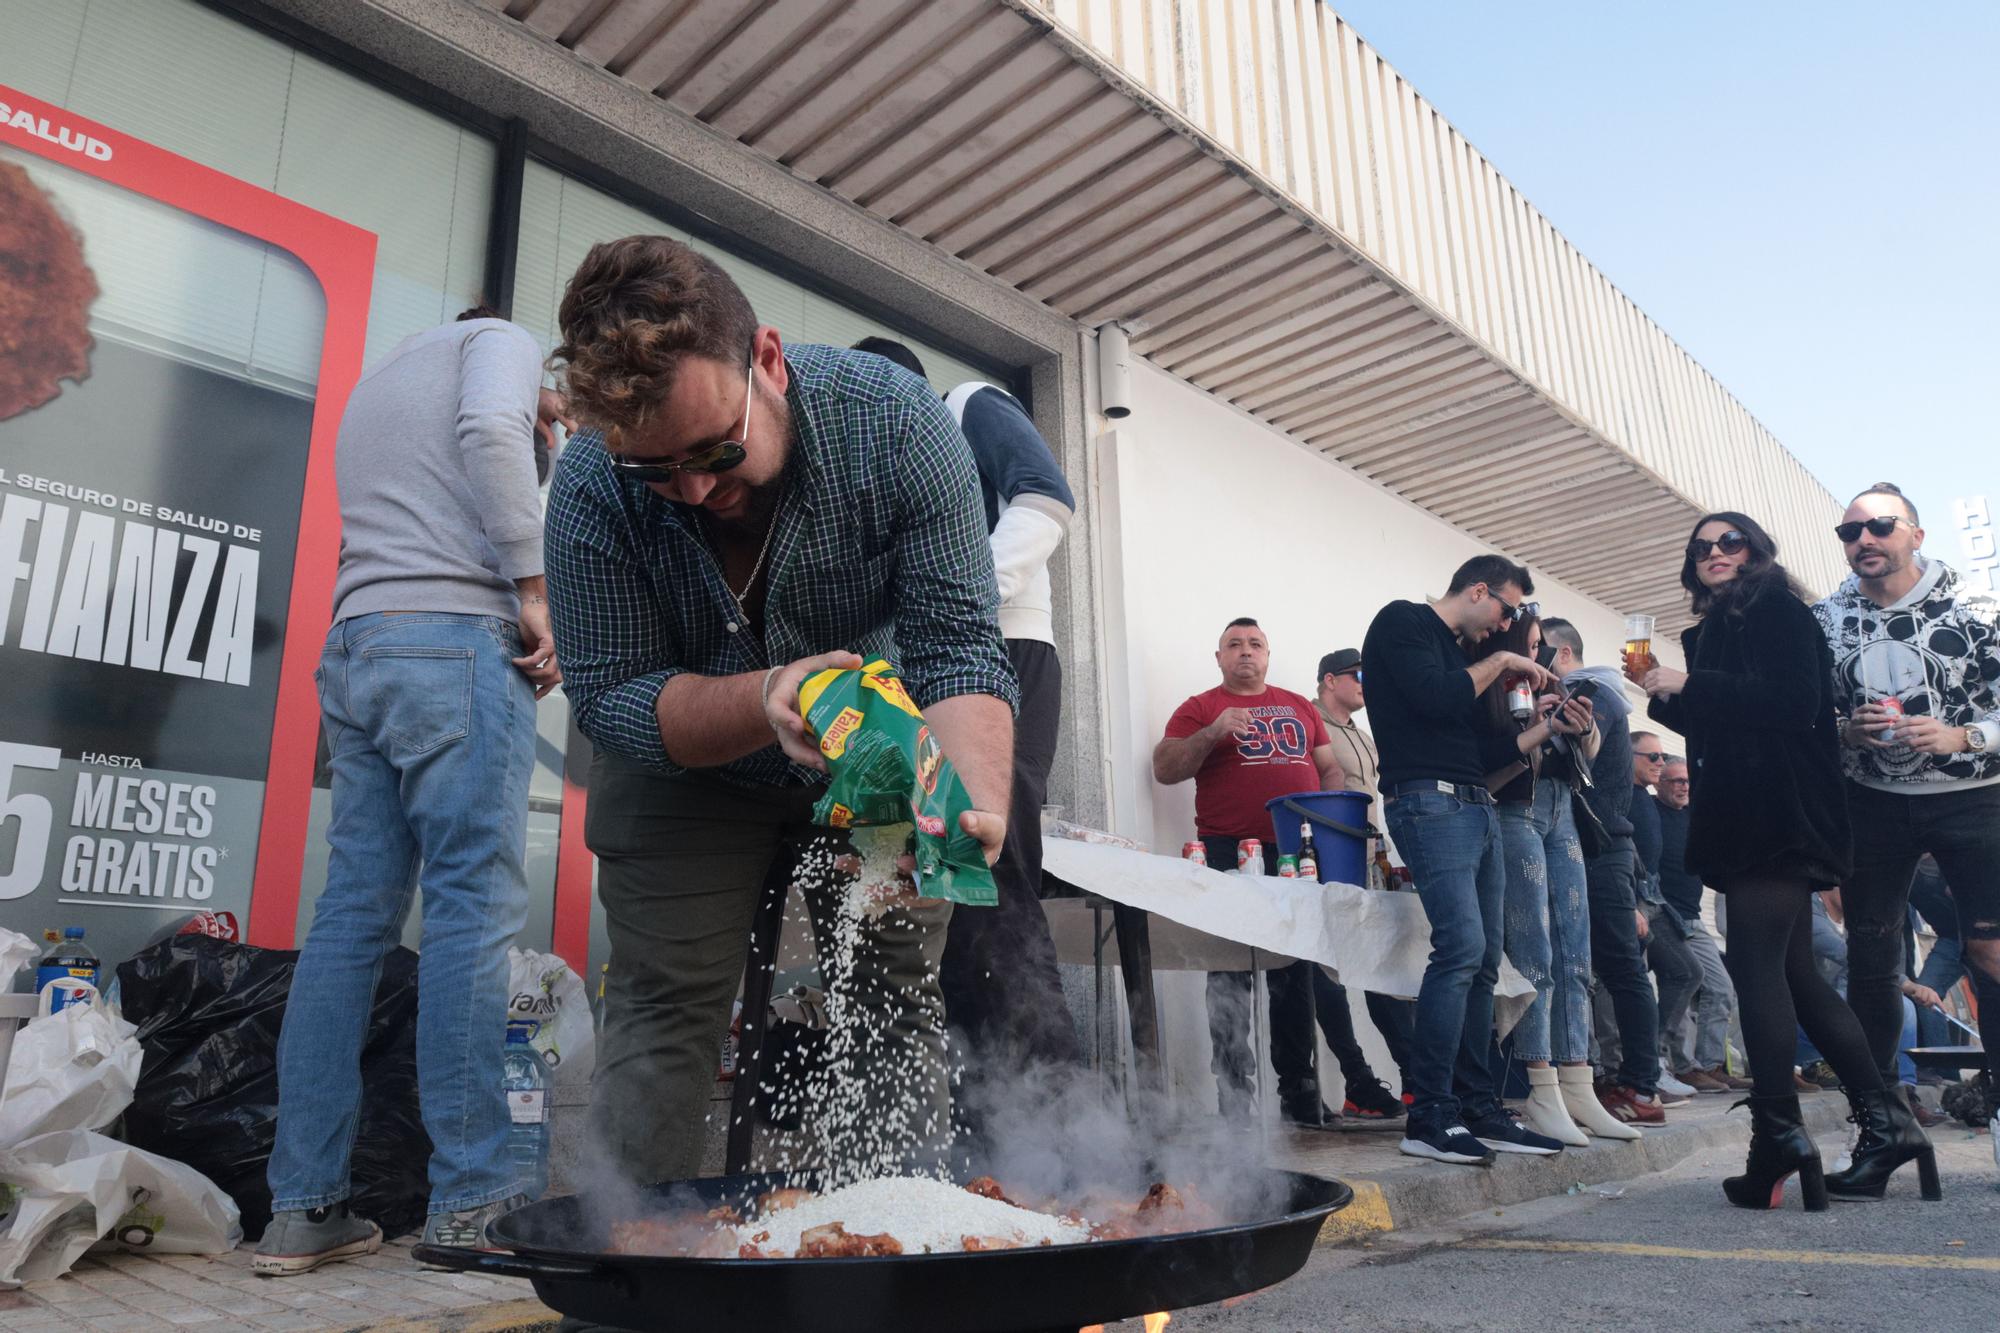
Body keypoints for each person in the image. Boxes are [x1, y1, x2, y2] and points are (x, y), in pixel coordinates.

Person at [542, 237, 1018, 1195]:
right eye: (655, 471)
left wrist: (964, 812)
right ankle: (640, 1276)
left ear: (766, 359)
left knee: (891, 991)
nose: (695, 490)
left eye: (716, 452)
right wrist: (763, 697)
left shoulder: (896, 426)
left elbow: (957, 643)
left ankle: (887, 1262)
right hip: (682, 755)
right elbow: (611, 692)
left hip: (873, 749)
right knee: (665, 1003)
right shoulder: (592, 483)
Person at [256, 308, 566, 1274]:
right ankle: (473, 1200)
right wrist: (534, 582)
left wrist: (543, 426)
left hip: (356, 648)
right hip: (455, 639)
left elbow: (447, 462)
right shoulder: (497, 342)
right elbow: (483, 432)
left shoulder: (381, 381)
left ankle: (301, 1208)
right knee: (472, 909)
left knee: (351, 917)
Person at [1634, 510, 1931, 1210]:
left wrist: (1690, 682)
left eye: (1729, 541)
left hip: (1777, 814)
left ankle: (1778, 1134)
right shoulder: (1709, 632)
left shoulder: (1779, 612)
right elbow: (1725, 719)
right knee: (1797, 975)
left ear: (1758, 553)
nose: (1714, 552)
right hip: (1746, 813)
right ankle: (1887, 1123)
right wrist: (1667, 693)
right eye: (1702, 546)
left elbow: (1798, 703)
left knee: (1756, 966)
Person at [847, 337, 1086, 1119]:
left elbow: (1046, 497)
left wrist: (956, 592)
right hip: (927, 666)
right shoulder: (888, 469)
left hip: (999, 648)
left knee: (996, 880)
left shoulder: (968, 402)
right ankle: (983, 1119)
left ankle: (1058, 1123)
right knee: (943, 885)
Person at [1811, 481, 2000, 1185]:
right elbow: (1802, 713)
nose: (1863, 540)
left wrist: (1962, 733)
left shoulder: (1978, 606)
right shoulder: (1825, 618)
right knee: (1871, 957)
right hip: (1874, 801)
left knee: (1990, 950)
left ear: (1915, 534)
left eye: (1879, 526)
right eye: (1850, 531)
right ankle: (1881, 1128)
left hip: (1974, 795)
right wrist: (1840, 729)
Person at [1362, 555, 1564, 1164]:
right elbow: (1432, 696)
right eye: (1506, 609)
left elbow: (1477, 749)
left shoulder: (1458, 651)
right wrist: (1503, 660)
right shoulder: (1403, 622)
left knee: (1481, 962)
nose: (1504, 625)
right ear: (1479, 590)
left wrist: (1546, 729)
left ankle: (1479, 1108)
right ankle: (1429, 1115)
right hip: (1429, 804)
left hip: (1474, 804)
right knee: (1459, 950)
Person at [1153, 619, 1346, 1126]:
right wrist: (1214, 732)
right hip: (1224, 850)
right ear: (1218, 657)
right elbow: (1165, 767)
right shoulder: (1201, 707)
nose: (1245, 652)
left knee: (1294, 970)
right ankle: (1234, 1095)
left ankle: (1299, 1093)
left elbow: (1330, 768)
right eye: (1234, 645)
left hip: (1293, 852)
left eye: (1254, 645)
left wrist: (1322, 818)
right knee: (1229, 972)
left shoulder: (1301, 705)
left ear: (1268, 655)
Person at [1466, 612, 1627, 1146]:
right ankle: (1540, 1082)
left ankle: (1576, 1079)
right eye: (1533, 645)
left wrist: (1583, 728)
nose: (1541, 657)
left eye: (1545, 648)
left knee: (1576, 953)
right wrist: (1539, 723)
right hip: (1514, 809)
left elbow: (1590, 756)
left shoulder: (1553, 685)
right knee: (1534, 952)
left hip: (1562, 808)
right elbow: (1488, 764)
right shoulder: (1488, 684)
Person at [1540, 616, 1665, 1125]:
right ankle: (1611, 1079)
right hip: (1594, 848)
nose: (1534, 659)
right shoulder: (1596, 691)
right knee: (1590, 968)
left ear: (1565, 653)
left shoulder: (1592, 693)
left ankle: (1641, 1088)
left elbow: (1570, 751)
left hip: (1599, 848)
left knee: (1621, 968)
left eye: (1540, 649)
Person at [1309, 648, 1413, 1120]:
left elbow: (1373, 801)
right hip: (1328, 861)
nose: (1365, 684)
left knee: (1381, 973)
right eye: (1359, 675)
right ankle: (1358, 1079)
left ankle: (1416, 1079)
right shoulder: (1311, 722)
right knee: (1328, 973)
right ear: (1331, 680)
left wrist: (1388, 856)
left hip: (1370, 859)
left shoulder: (1363, 736)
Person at [1654, 757, 1749, 1093]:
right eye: (1675, 781)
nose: (1683, 786)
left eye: (1686, 781)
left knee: (1721, 987)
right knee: (1681, 980)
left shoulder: (1695, 817)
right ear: (1658, 783)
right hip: (1661, 913)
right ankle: (1675, 1065)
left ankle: (1710, 1065)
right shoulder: (1651, 811)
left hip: (1692, 917)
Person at [1627, 733, 1702, 1101]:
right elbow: (1616, 848)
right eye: (1653, 756)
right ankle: (1638, 1068)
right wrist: (1630, 904)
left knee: (1686, 973)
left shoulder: (1644, 796)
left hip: (1653, 901)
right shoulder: (1627, 794)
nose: (1660, 761)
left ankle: (1652, 1062)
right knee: (1628, 982)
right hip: (1635, 900)